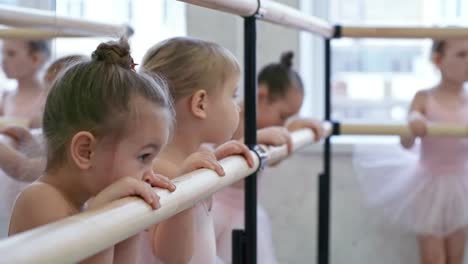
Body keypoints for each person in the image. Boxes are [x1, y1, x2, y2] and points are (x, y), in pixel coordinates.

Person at [354, 39, 468, 264]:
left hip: (461, 185)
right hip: (427, 185)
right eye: (462, 55)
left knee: (456, 257)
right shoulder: (424, 97)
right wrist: (413, 124)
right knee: (433, 258)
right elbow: (405, 143)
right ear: (437, 60)